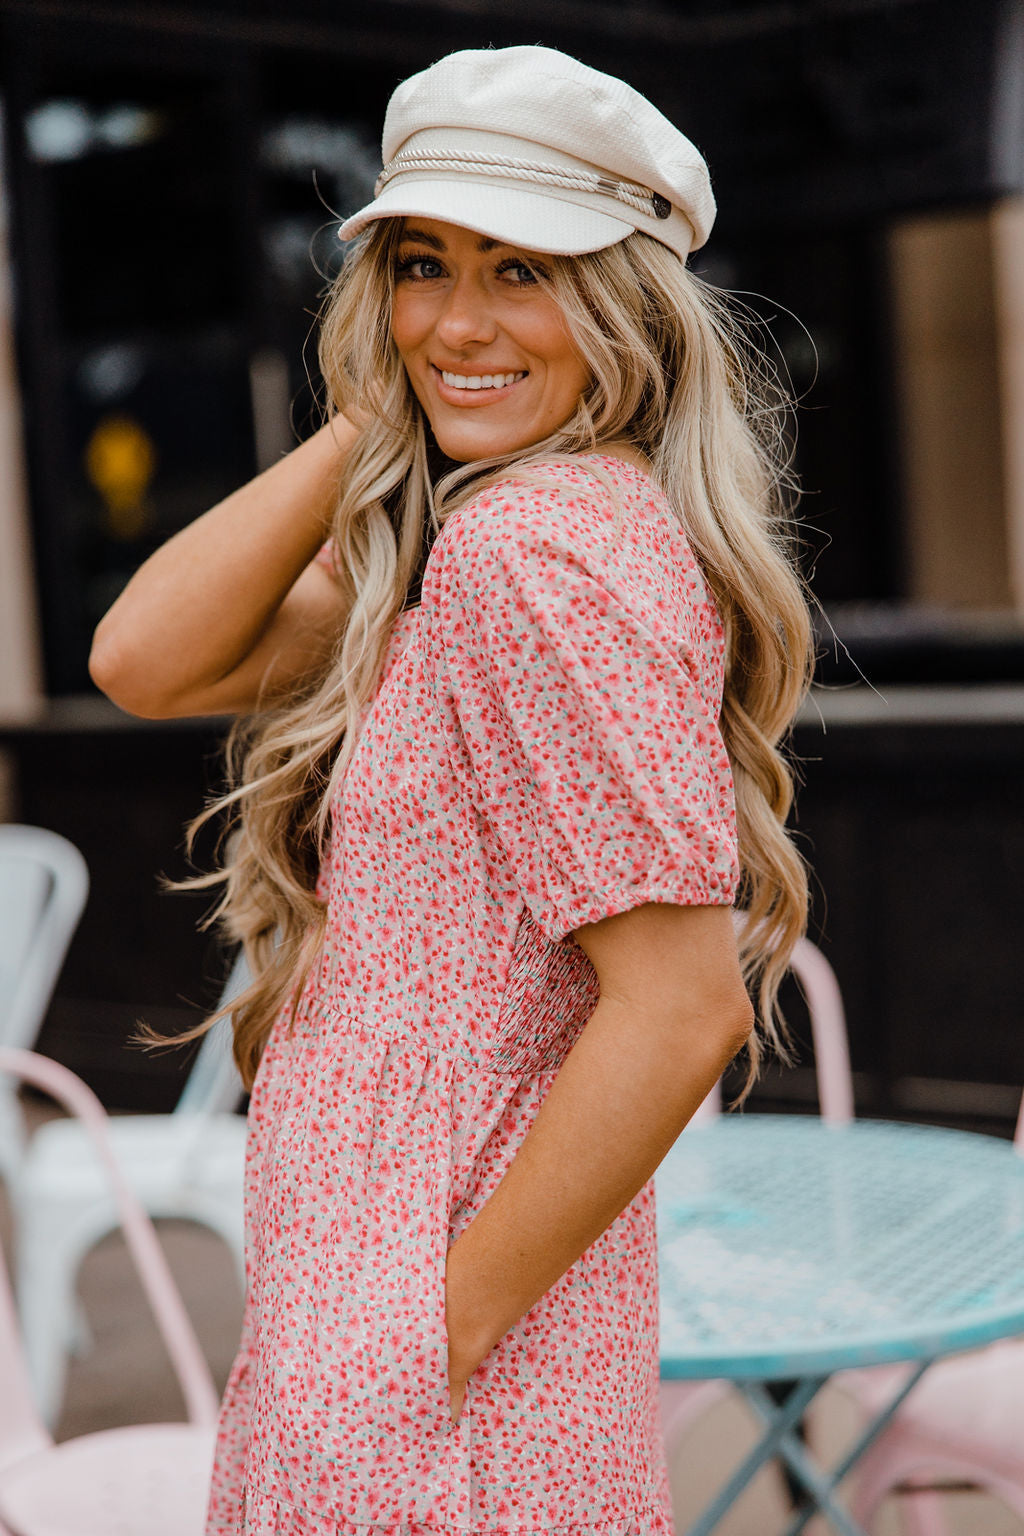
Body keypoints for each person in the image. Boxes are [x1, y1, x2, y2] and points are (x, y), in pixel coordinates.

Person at [90, 44, 812, 1536]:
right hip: (413, 1313)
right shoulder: (485, 543)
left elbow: (682, 1010)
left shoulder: (522, 555)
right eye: (424, 266)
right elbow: (143, 658)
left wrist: (427, 1343)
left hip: (429, 1348)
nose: (459, 320)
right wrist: (383, 408)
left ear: (624, 305)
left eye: (521, 273)